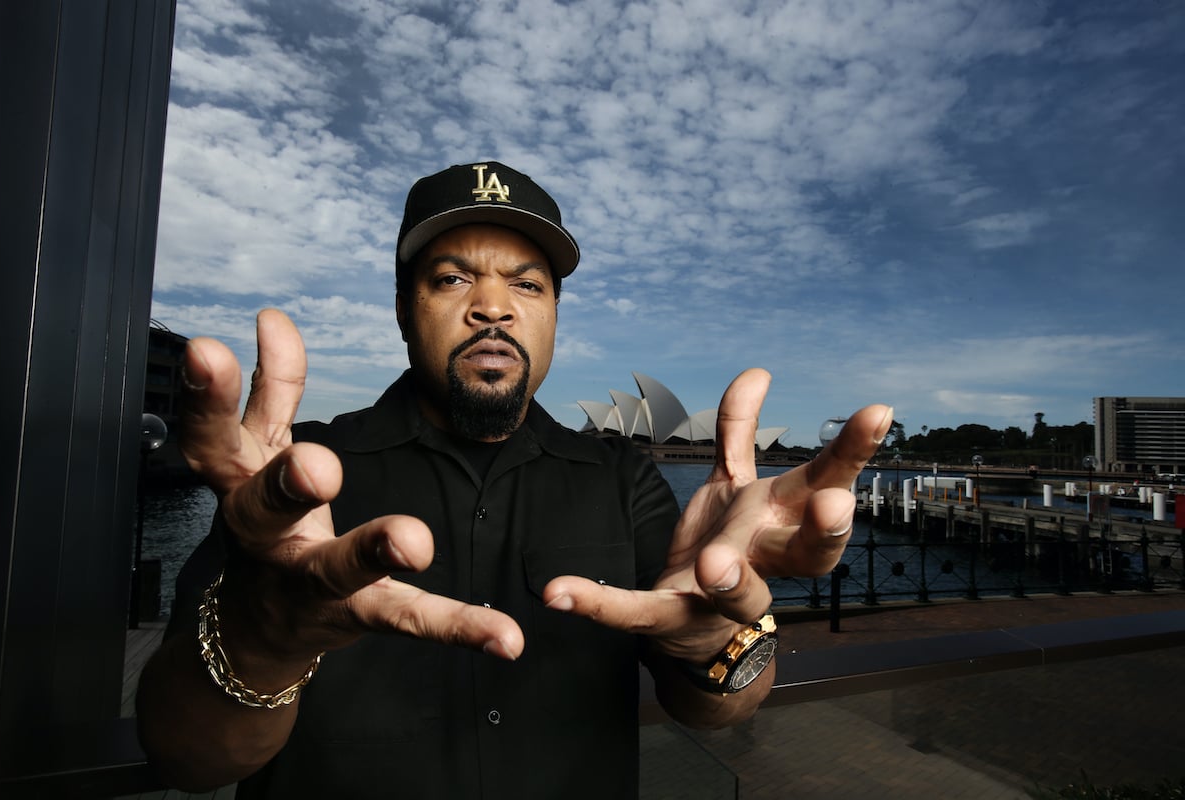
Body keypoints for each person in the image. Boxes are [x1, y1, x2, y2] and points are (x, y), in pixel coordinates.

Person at [136, 161, 892, 798]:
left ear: (556, 314)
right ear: (403, 310)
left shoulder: (623, 479)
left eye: (527, 286)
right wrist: (266, 639)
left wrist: (721, 647)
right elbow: (188, 760)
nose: (491, 306)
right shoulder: (293, 491)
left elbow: (719, 711)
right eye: (452, 278)